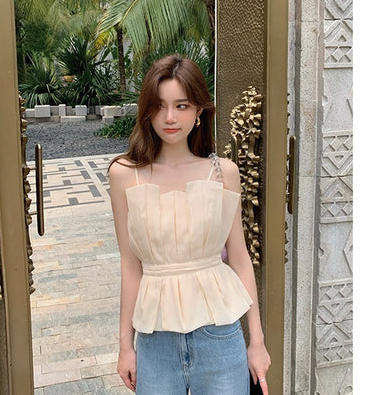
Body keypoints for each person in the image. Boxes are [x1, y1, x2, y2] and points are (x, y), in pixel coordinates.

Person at [108, 55, 271, 395]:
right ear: (147, 111)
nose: (169, 117)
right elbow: (130, 265)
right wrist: (125, 346)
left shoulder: (224, 173)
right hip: (155, 341)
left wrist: (257, 343)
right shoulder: (124, 174)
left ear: (199, 111)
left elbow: (239, 259)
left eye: (181, 105)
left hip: (219, 336)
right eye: (160, 105)